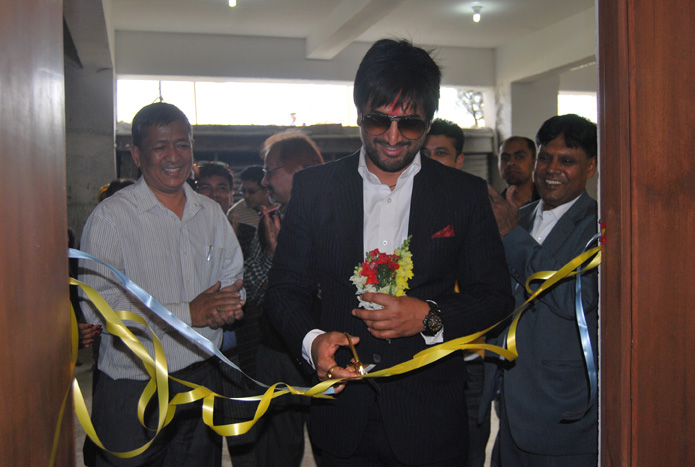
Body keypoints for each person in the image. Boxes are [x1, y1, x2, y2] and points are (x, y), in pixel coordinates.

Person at [265, 38, 514, 466]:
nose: (393, 137)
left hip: (430, 420)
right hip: (341, 415)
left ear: (429, 121)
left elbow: (495, 297)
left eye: (410, 125)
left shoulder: (464, 195)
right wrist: (313, 342)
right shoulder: (315, 189)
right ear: (358, 112)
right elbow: (285, 290)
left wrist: (429, 316)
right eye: (378, 120)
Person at [79, 102, 246, 466]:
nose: (174, 156)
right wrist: (188, 313)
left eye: (182, 144)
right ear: (137, 155)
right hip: (134, 386)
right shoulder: (111, 218)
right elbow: (97, 306)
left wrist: (228, 307)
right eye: (160, 147)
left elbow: (234, 278)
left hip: (201, 382)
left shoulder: (210, 213)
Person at [485, 114, 598, 466]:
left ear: (591, 166)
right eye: (546, 158)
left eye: (567, 161)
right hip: (508, 402)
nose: (552, 169)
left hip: (559, 410)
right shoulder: (520, 216)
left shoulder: (599, 226)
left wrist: (512, 237)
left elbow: (574, 298)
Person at [243, 130, 324, 467]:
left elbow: (337, 290)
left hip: (326, 352)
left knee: (334, 444)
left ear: (300, 170)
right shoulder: (271, 220)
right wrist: (275, 260)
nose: (264, 181)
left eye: (270, 172)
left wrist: (288, 267)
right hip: (277, 353)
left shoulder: (338, 218)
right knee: (276, 450)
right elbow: (251, 287)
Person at [498, 136, 540, 208]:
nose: (510, 163)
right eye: (505, 158)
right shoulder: (495, 206)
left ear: (534, 164)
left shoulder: (548, 202)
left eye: (519, 157)